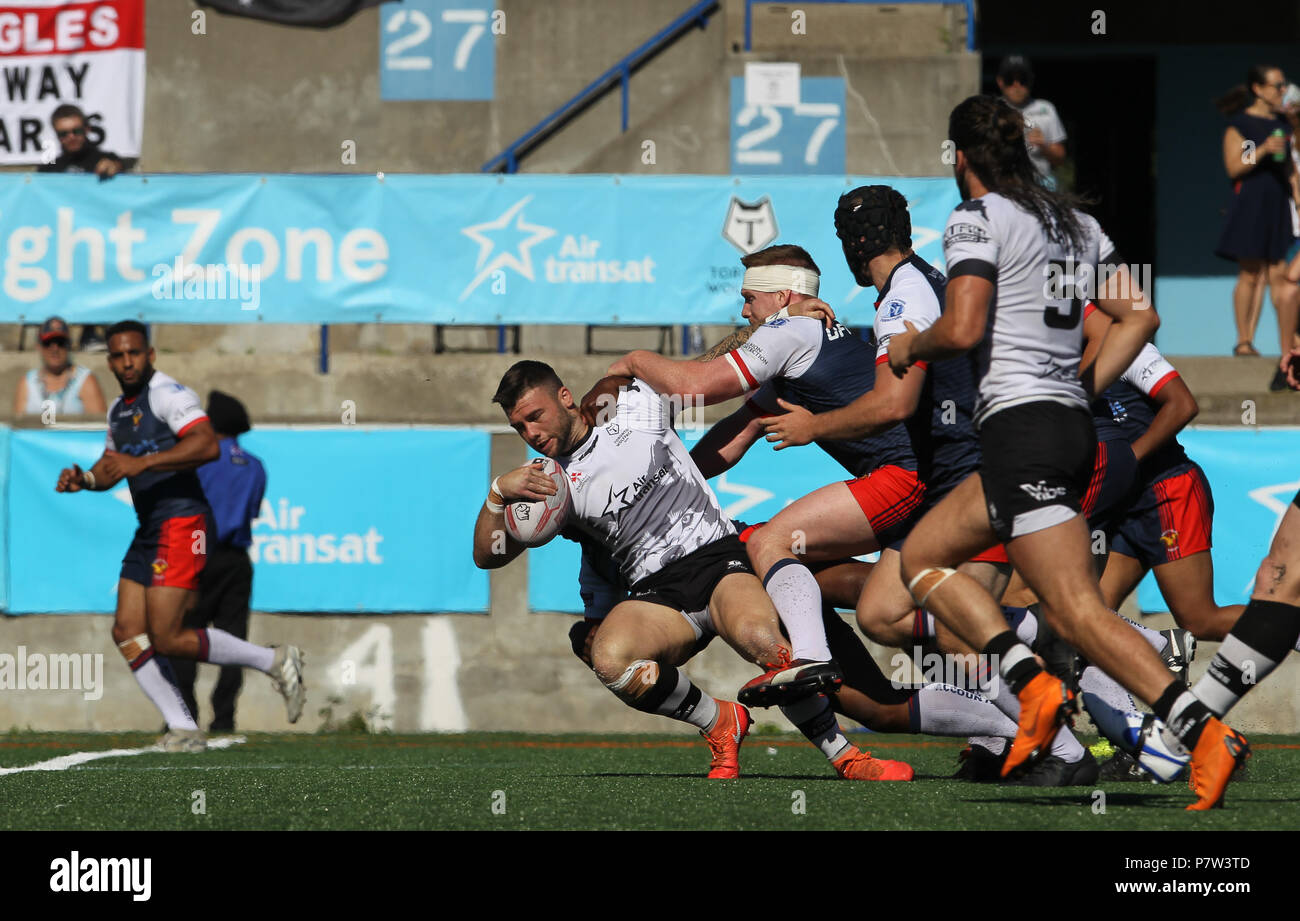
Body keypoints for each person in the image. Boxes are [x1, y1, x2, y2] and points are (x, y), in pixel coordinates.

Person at [609, 230, 1099, 785]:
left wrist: (631, 359)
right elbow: (734, 434)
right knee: (892, 615)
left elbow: (695, 384)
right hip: (920, 479)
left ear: (786, 295)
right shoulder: (807, 336)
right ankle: (1051, 721)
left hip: (904, 477)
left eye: (750, 297)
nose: (742, 308)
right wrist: (676, 480)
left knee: (770, 542)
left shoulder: (790, 329)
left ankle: (811, 659)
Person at [885, 93, 1248, 810]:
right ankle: (1118, 706)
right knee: (957, 566)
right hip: (1068, 430)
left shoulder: (976, 218)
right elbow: (1141, 313)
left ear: (960, 158)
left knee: (1031, 597)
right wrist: (1079, 383)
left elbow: (960, 326)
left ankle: (1058, 691)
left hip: (1022, 432)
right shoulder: (1076, 222)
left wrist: (908, 345)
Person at [472, 360, 912, 782]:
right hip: (656, 592)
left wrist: (779, 326)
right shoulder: (549, 484)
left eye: (535, 416)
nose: (531, 433)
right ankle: (720, 722)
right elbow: (488, 556)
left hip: (718, 559)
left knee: (765, 643)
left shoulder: (633, 405)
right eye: (519, 427)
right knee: (610, 658)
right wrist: (497, 495)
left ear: (565, 398)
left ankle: (847, 757)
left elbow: (712, 366)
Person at [54, 321, 303, 751]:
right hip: (150, 525)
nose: (126, 361)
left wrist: (146, 462)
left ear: (150, 355)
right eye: (117, 355)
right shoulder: (118, 409)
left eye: (134, 353)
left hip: (183, 522)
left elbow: (207, 446)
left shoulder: (169, 395)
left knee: (167, 635)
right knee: (127, 632)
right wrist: (86, 479)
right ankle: (183, 726)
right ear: (109, 360)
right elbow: (112, 465)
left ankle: (274, 660)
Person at [171, 391, 268, 732]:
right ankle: (224, 717)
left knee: (182, 637)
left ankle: (184, 716)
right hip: (236, 560)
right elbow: (252, 511)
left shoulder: (200, 460)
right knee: (235, 642)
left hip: (198, 555)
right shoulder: (255, 466)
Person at [1214, 66, 1297, 365]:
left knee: (1278, 273)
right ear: (1259, 89)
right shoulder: (1242, 125)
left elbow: (1289, 169)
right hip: (1250, 204)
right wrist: (1262, 150)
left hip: (1277, 204)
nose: (1282, 90)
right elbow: (1235, 166)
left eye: (1283, 85)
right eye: (1277, 85)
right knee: (1250, 272)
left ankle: (1287, 345)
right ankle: (1243, 340)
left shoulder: (1283, 125)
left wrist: (1298, 197)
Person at [13, 316, 106, 417]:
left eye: (60, 343)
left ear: (69, 345)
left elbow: (98, 427)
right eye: (48, 343)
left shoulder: (85, 380)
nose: (55, 349)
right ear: (39, 346)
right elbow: (18, 427)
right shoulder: (27, 383)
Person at [996, 55, 1066, 189]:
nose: (1016, 85)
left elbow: (1060, 158)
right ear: (1000, 82)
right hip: (1005, 186)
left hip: (1041, 185)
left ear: (1031, 80)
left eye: (1022, 79)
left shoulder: (1046, 109)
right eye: (1009, 80)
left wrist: (1044, 146)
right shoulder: (993, 110)